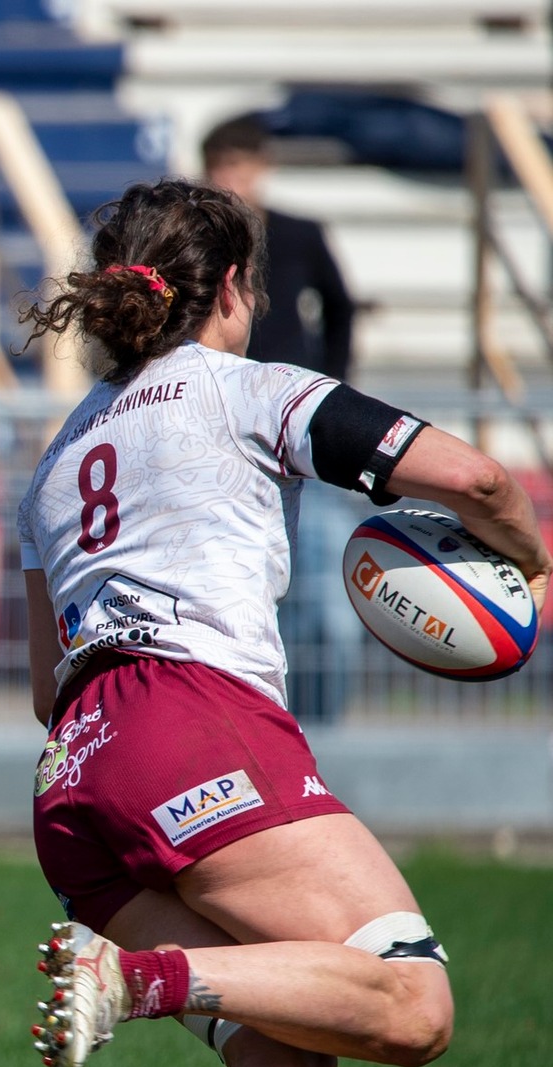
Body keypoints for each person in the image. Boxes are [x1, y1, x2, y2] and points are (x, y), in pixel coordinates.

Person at [15, 179, 549, 1067]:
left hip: (72, 779)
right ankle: (130, 982)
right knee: (411, 1001)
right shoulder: (246, 388)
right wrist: (530, 561)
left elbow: (38, 682)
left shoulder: (55, 460)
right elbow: (471, 478)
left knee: (291, 1017)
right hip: (191, 721)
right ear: (235, 290)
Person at [202, 112, 366, 722]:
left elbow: (341, 307)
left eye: (238, 168)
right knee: (242, 596)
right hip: (227, 438)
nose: (229, 181)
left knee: (324, 591)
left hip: (296, 441)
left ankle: (326, 732)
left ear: (262, 170)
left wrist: (331, 389)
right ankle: (265, 727)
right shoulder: (200, 245)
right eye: (219, 169)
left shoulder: (297, 233)